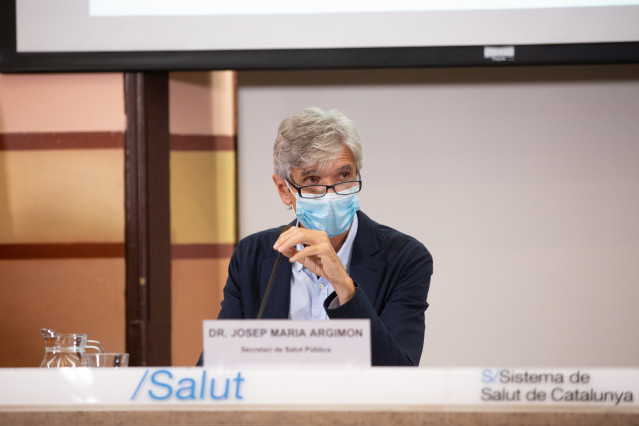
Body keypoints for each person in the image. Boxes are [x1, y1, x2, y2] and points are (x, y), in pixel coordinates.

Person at [199, 107, 432, 366]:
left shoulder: (404, 257)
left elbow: (398, 373)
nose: (331, 193)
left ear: (358, 174)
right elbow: (215, 367)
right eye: (312, 179)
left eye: (344, 176)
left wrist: (343, 285)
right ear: (284, 189)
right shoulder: (253, 255)